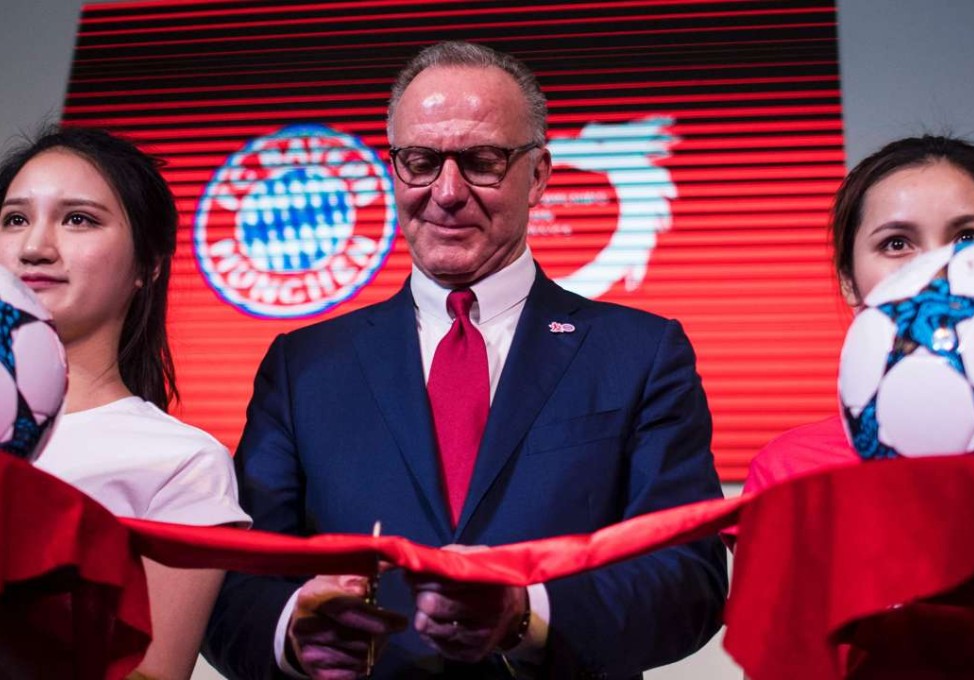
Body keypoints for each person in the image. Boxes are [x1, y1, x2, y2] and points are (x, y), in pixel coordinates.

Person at [203, 41, 727, 679]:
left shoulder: (641, 354)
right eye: (420, 161)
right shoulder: (303, 365)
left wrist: (525, 613)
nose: (446, 193)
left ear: (538, 176)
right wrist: (291, 631)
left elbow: (688, 578)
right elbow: (233, 579)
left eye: (482, 161)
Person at [0, 126, 251, 680]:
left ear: (148, 264)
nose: (34, 246)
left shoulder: (180, 462)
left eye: (78, 219)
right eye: (14, 219)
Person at [741, 134, 974, 497]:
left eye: (967, 238)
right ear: (849, 281)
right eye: (896, 243)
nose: (936, 267)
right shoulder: (790, 472)